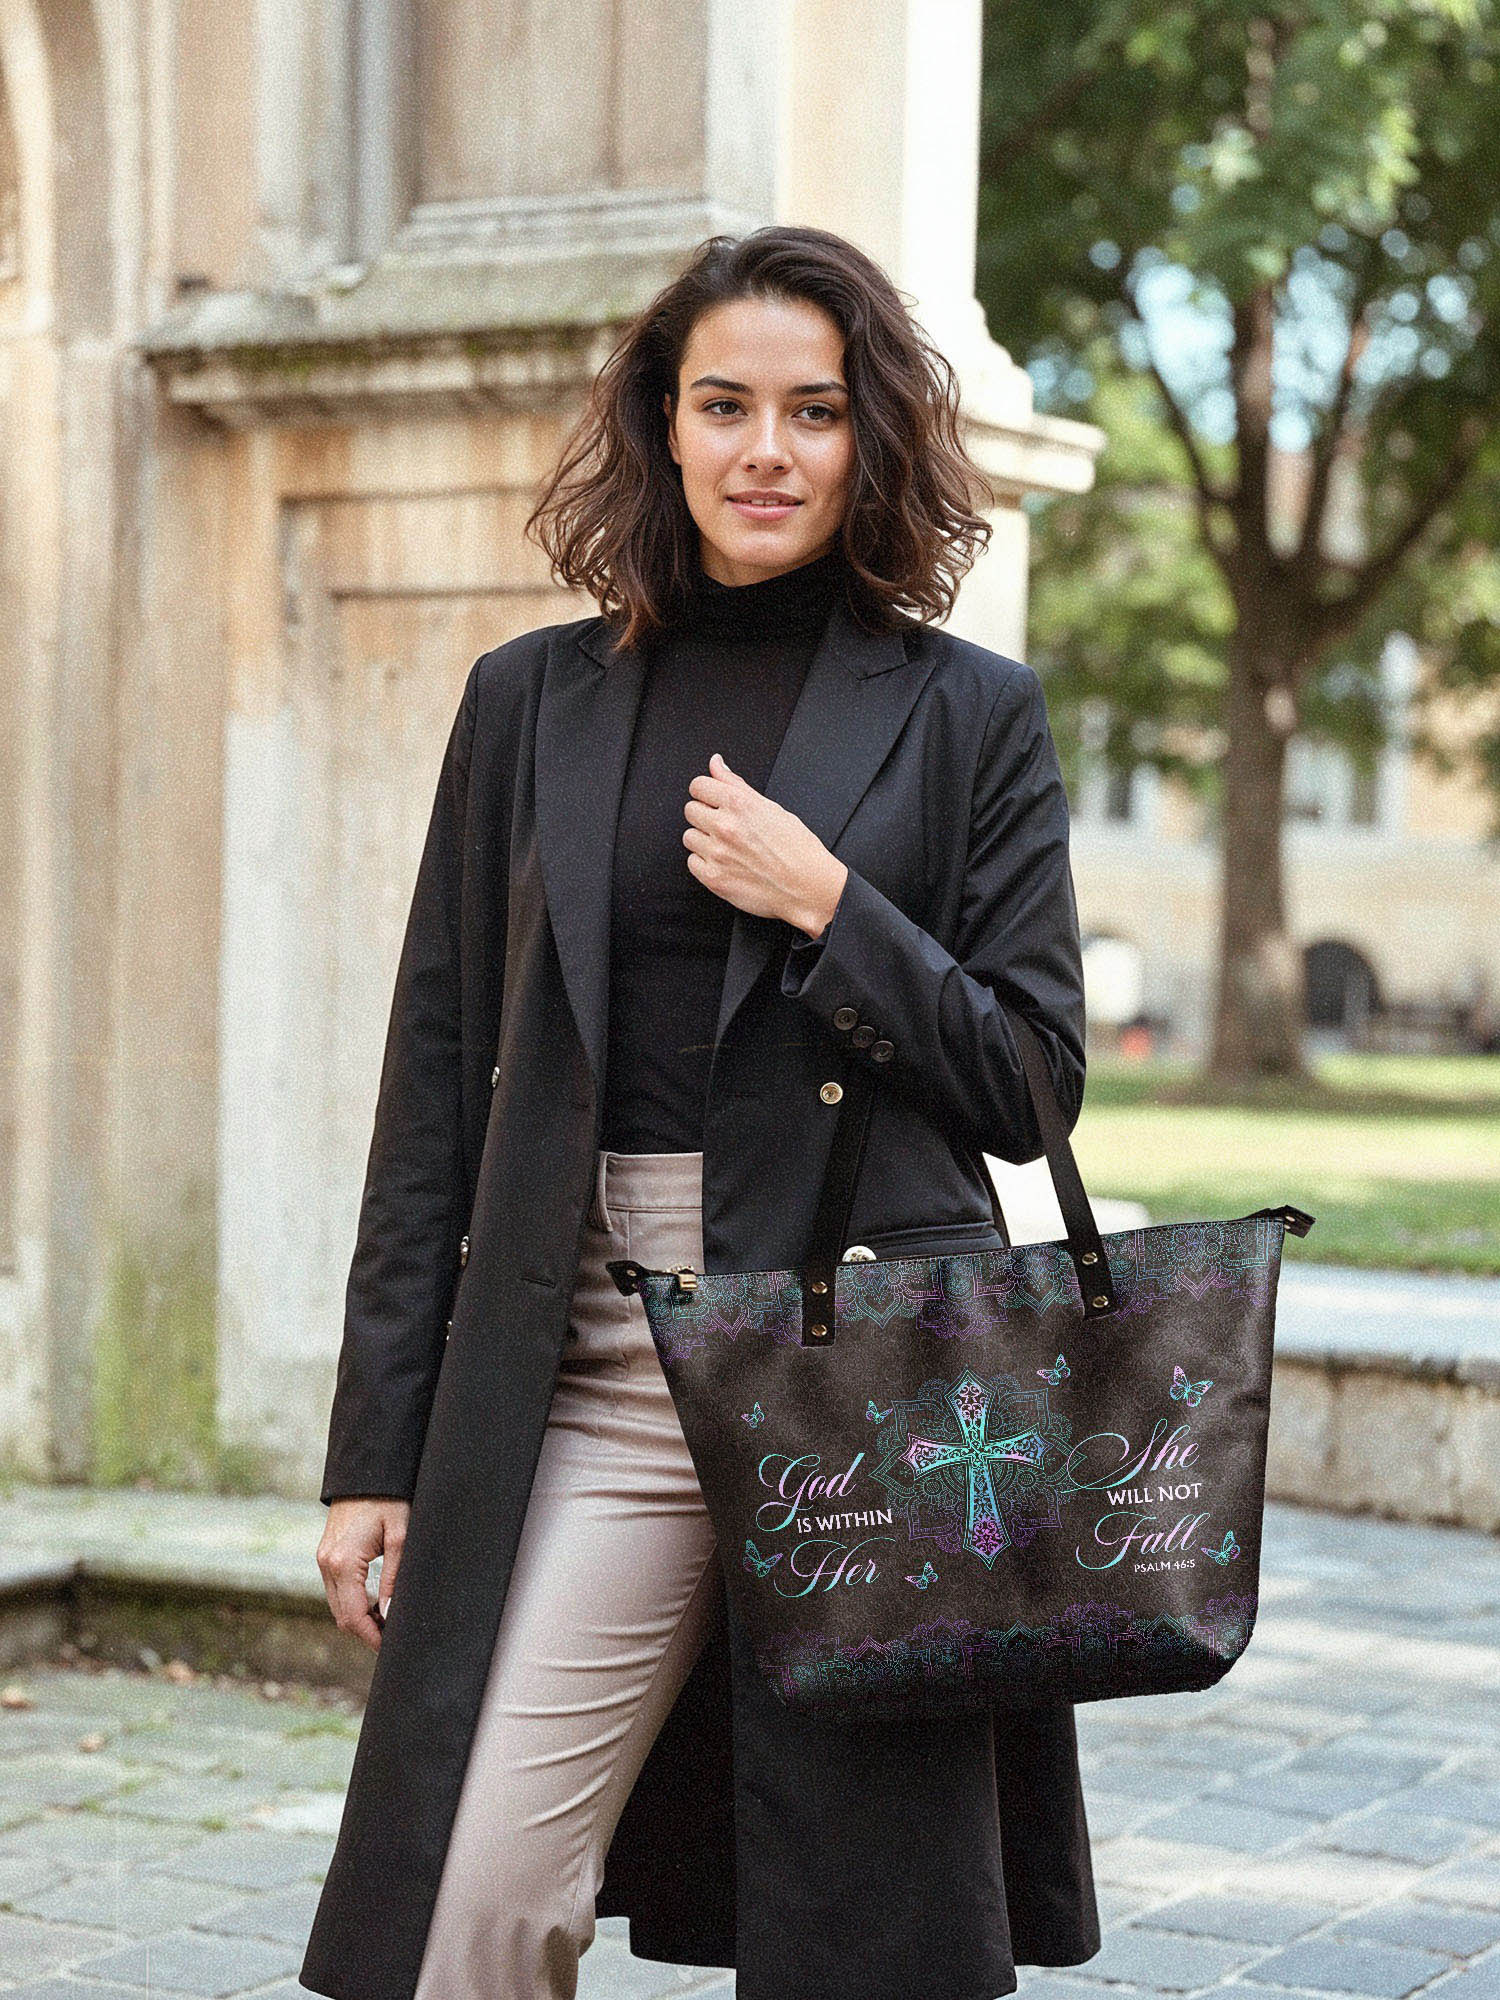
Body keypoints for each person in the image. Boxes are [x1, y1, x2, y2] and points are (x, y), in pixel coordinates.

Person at [301, 224, 1099, 2000]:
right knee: (473, 1893)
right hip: (590, 1350)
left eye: (814, 412)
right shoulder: (532, 700)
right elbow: (433, 1086)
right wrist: (377, 1450)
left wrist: (833, 906)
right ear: (663, 424)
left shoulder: (969, 713)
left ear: (869, 436)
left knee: (865, 1936)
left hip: (866, 1370)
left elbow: (1030, 1076)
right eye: (724, 404)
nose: (766, 451)